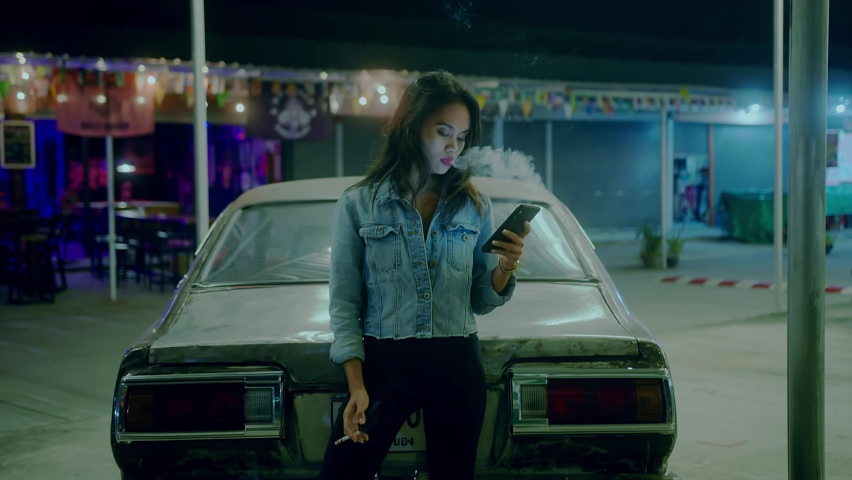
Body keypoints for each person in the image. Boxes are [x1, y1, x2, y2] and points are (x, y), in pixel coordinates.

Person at [319, 71, 531, 479]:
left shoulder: (474, 206)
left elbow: (480, 299)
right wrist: (357, 386)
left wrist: (507, 266)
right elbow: (344, 303)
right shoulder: (359, 204)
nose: (454, 147)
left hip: (457, 363)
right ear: (412, 127)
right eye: (443, 132)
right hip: (385, 364)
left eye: (462, 137)